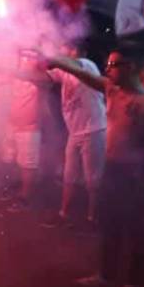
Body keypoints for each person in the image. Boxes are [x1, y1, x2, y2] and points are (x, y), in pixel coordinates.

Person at [46, 47, 144, 287]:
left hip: (137, 174)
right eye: (108, 64)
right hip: (112, 169)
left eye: (113, 65)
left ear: (130, 66)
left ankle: (133, 285)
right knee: (109, 224)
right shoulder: (112, 90)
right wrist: (57, 62)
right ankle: (106, 275)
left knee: (136, 230)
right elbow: (82, 73)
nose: (107, 69)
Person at [42, 42, 107, 227]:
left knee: (93, 179)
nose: (61, 51)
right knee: (69, 176)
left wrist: (48, 56)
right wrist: (14, 72)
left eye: (66, 49)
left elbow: (72, 65)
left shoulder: (87, 64)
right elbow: (41, 77)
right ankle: (64, 214)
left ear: (77, 51)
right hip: (75, 132)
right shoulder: (64, 72)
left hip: (94, 129)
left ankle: (92, 218)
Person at [3, 52, 52, 210]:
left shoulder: (41, 78)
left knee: (28, 164)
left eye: (30, 57)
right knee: (13, 159)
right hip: (12, 124)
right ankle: (17, 187)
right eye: (24, 56)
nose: (26, 60)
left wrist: (8, 70)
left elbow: (38, 79)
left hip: (29, 128)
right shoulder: (17, 75)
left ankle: (25, 197)